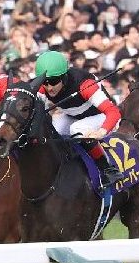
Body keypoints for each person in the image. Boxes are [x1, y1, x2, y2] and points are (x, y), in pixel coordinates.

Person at [34, 50, 124, 188]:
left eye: (53, 81)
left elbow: (113, 112)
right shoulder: (43, 89)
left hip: (101, 116)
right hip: (73, 116)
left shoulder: (85, 85)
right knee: (53, 131)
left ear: (64, 76)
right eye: (44, 82)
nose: (49, 87)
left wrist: (101, 131)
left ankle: (107, 169)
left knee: (77, 129)